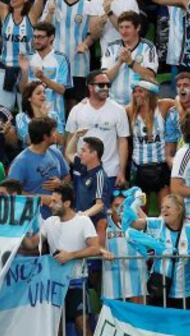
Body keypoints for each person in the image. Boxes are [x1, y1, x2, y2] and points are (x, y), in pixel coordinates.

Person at [21, 184, 103, 336]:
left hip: (77, 282)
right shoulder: (49, 222)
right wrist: (17, 231)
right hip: (55, 285)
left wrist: (70, 255)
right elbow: (31, 244)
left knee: (83, 327)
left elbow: (95, 248)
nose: (50, 205)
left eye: (54, 202)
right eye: (50, 201)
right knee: (55, 329)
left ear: (67, 203)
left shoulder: (83, 221)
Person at [65, 71, 130, 188]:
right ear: (90, 87)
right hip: (82, 171)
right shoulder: (77, 110)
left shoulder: (119, 110)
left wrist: (121, 171)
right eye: (101, 85)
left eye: (108, 85)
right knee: (83, 206)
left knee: (106, 206)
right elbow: (70, 140)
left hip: (110, 171)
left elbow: (123, 142)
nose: (105, 88)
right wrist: (70, 169)